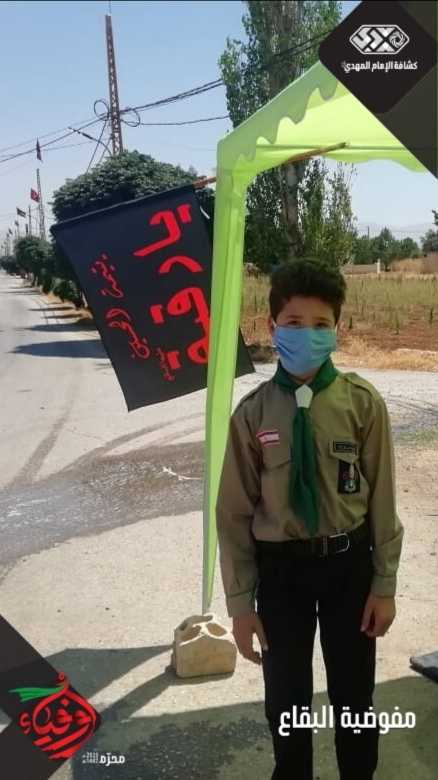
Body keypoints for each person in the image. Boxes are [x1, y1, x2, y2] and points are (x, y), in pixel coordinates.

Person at [216, 257, 404, 780]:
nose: (307, 334)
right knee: (286, 699)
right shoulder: (252, 414)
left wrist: (384, 584)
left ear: (336, 329)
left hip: (349, 567)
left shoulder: (362, 404)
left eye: (321, 324)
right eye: (294, 323)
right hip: (281, 575)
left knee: (355, 696)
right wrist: (240, 606)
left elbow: (383, 501)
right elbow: (233, 514)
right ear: (271, 326)